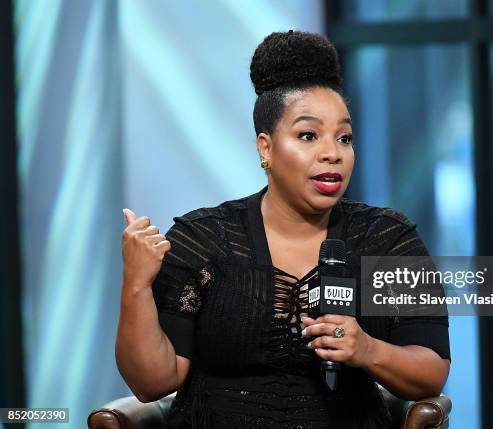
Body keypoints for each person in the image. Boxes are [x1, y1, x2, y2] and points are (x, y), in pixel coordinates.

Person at [115, 30, 451, 429]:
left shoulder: (386, 238)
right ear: (266, 148)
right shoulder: (202, 239)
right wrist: (136, 284)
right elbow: (152, 382)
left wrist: (367, 350)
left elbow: (431, 371)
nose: (332, 153)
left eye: (344, 138)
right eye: (308, 135)